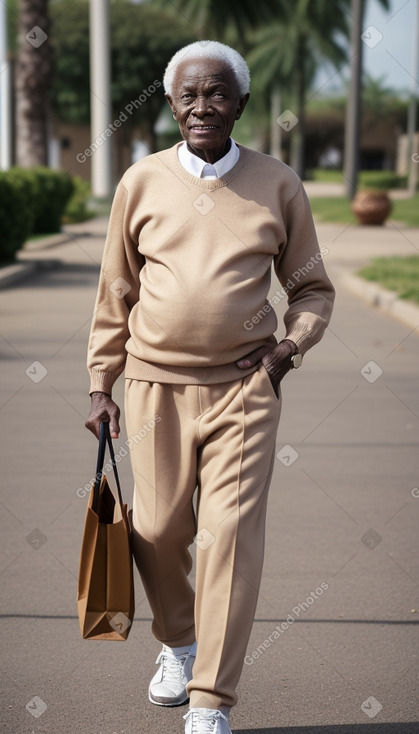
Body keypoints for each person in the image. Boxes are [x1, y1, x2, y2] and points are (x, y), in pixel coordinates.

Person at [85, 40, 335, 734]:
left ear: (241, 104)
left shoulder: (278, 183)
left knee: (227, 537)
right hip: (152, 388)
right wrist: (100, 383)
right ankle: (177, 640)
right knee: (157, 528)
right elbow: (116, 291)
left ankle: (209, 701)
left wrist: (287, 350)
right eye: (189, 95)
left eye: (217, 93)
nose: (203, 106)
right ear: (171, 105)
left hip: (243, 387)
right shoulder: (140, 182)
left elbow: (311, 287)